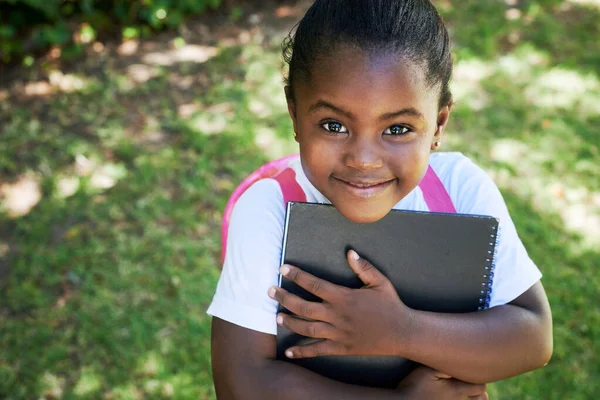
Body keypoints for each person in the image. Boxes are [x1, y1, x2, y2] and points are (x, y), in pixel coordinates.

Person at [208, 0, 553, 398]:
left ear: (438, 124)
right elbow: (242, 383)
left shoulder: (460, 190)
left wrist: (403, 331)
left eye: (399, 128)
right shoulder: (269, 209)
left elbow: (532, 337)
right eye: (333, 125)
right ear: (294, 114)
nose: (364, 160)